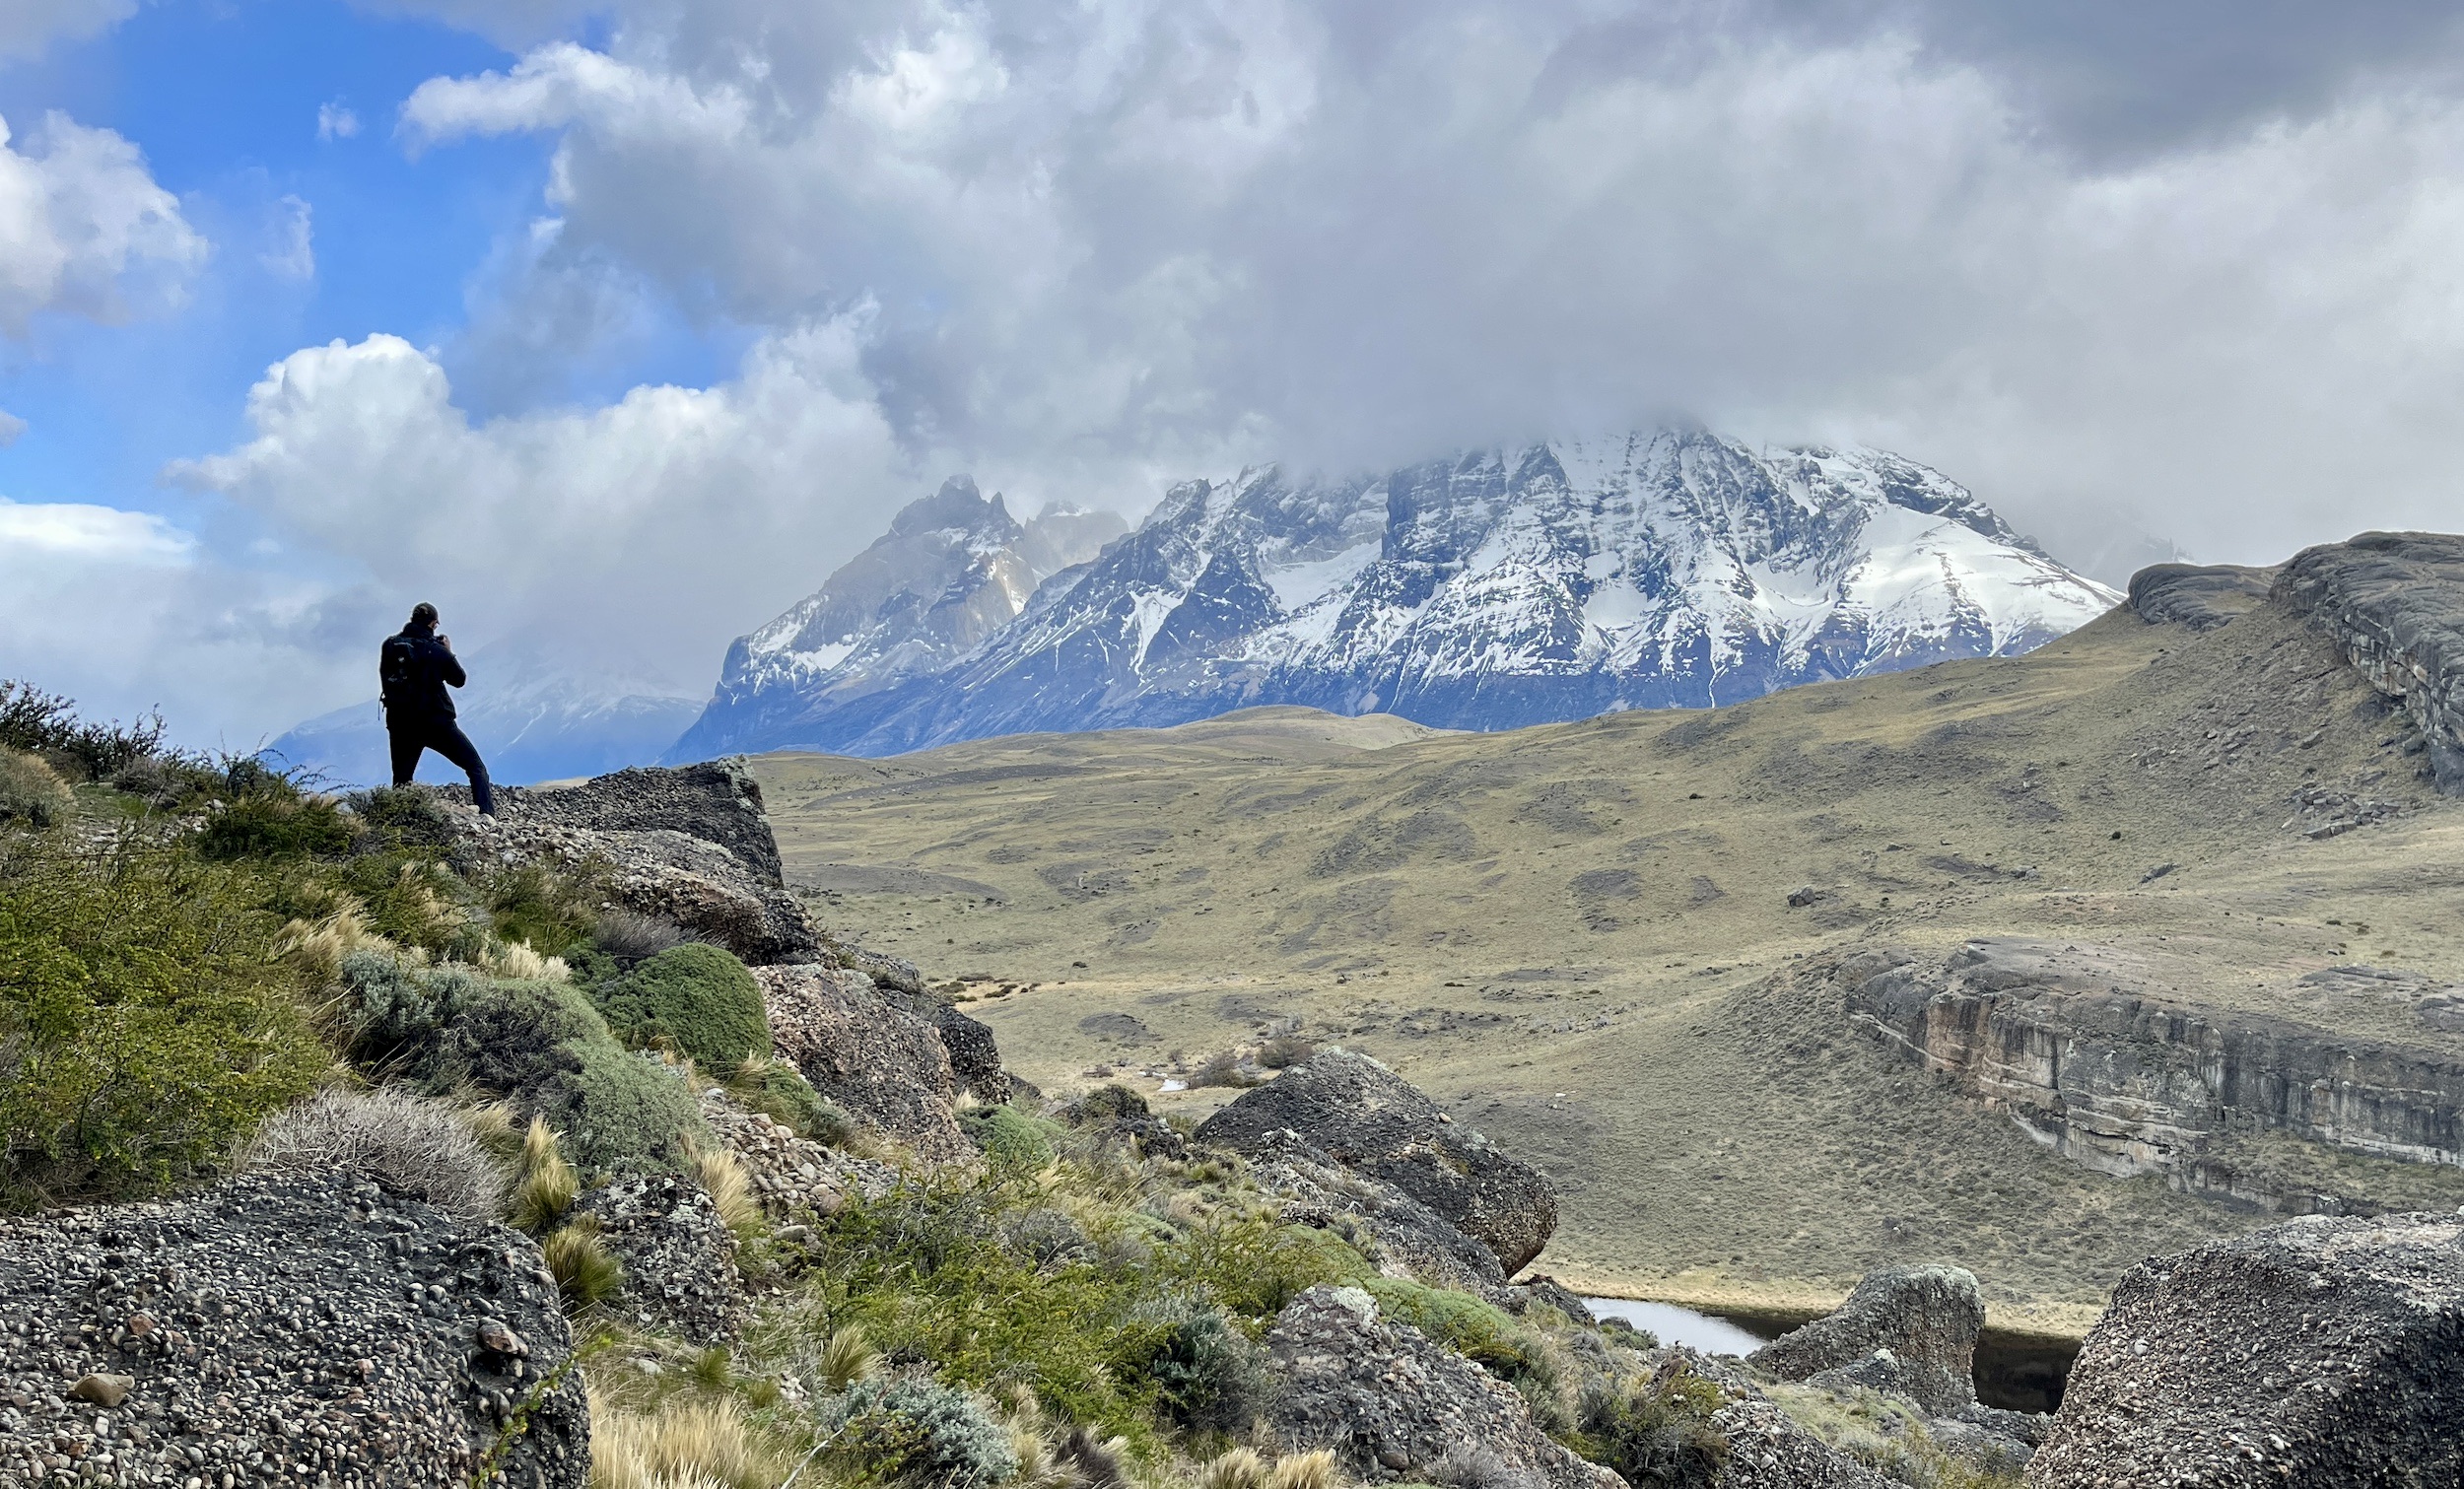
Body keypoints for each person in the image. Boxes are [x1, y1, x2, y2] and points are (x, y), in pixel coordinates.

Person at [380, 602, 495, 815]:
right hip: (436, 722)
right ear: (433, 624)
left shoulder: (390, 646)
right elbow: (458, 679)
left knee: (402, 780)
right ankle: (487, 819)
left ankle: (397, 827)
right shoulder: (436, 651)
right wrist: (448, 652)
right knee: (476, 767)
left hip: (401, 722)